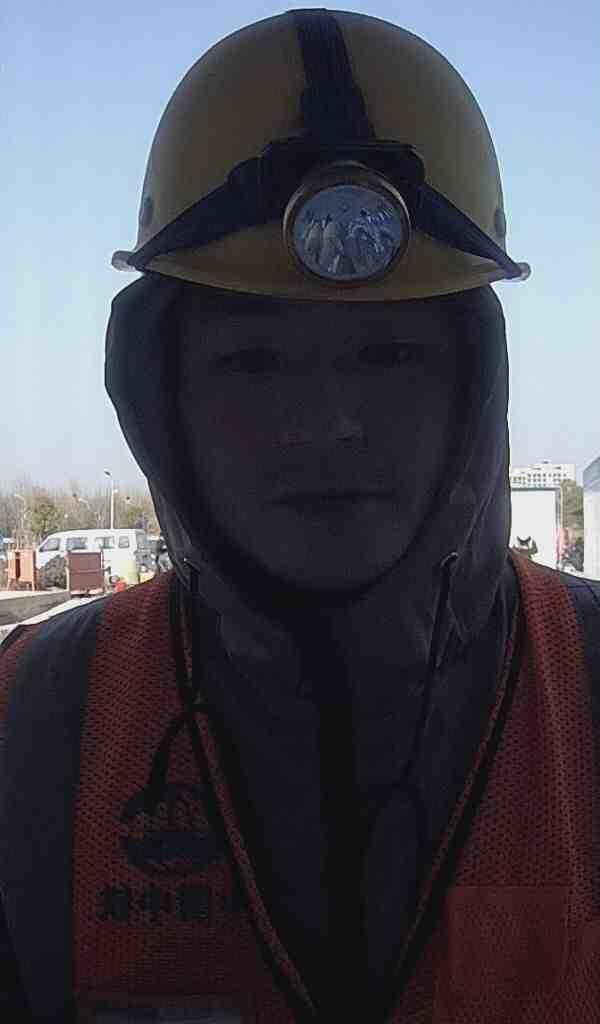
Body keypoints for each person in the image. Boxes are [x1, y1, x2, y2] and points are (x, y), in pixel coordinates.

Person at [1, 10, 599, 1022]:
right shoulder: (33, 724)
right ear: (160, 391)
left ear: (474, 381)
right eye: (252, 361)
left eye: (387, 354)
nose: (325, 423)